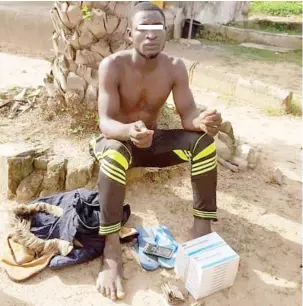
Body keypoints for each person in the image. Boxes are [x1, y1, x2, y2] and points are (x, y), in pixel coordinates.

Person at [89, 2, 223, 301]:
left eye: (157, 28)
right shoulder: (113, 65)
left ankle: (201, 229)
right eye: (143, 28)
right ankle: (111, 249)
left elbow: (187, 113)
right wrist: (128, 131)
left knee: (203, 144)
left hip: (152, 141)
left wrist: (200, 122)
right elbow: (106, 122)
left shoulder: (174, 67)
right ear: (129, 34)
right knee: (113, 156)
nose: (151, 35)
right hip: (118, 141)